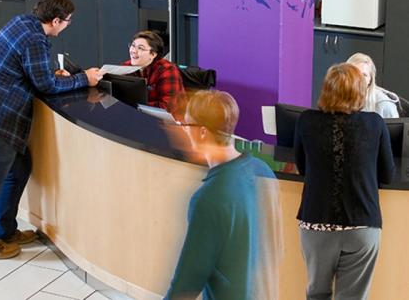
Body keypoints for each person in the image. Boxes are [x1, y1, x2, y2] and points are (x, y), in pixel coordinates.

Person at [0, 0, 102, 260]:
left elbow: (35, 75)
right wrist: (85, 78)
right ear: (56, 20)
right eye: (68, 21)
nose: (68, 25)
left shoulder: (23, 22)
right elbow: (45, 86)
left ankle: (6, 230)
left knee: (19, 168)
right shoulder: (35, 39)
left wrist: (51, 75)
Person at [164, 90, 282, 300]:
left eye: (186, 124)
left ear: (201, 132)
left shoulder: (209, 198)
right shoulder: (262, 171)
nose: (182, 129)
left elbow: (186, 283)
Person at [294, 63, 395, 300]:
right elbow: (387, 175)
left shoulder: (306, 121)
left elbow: (302, 167)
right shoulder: (375, 124)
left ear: (326, 89)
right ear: (360, 91)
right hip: (362, 225)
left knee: (316, 295)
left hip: (316, 224)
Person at [123, 30, 185, 114]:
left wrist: (134, 105)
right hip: (138, 115)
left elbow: (167, 107)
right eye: (133, 46)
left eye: (140, 48)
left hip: (169, 122)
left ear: (153, 54)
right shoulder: (126, 67)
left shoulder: (167, 70)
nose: (133, 51)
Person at [347, 52, 400, 118]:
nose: (358, 79)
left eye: (364, 75)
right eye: (354, 73)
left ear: (370, 80)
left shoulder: (384, 105)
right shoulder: (337, 99)